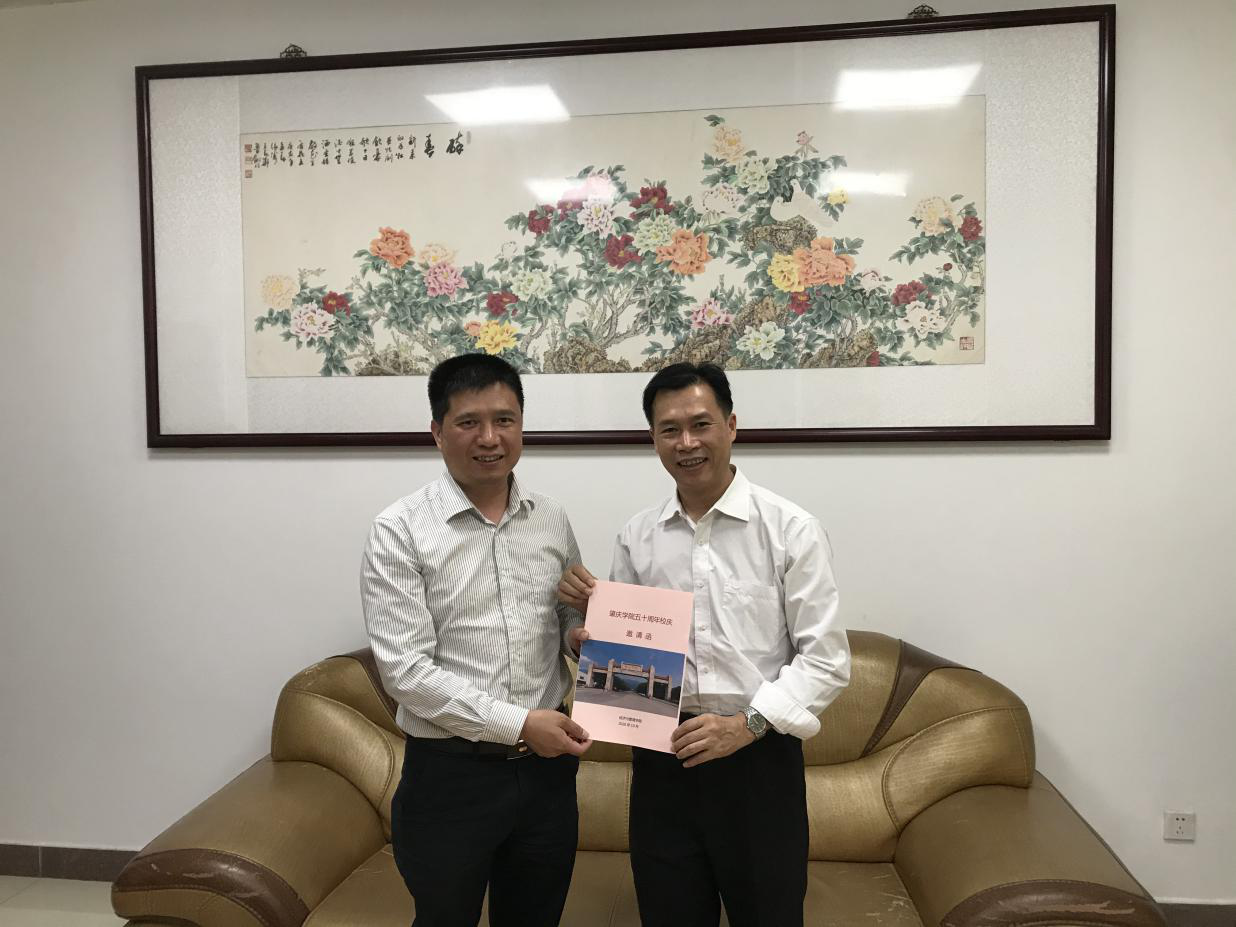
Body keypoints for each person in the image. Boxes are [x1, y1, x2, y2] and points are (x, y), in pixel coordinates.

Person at [559, 362, 850, 927]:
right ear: (653, 439)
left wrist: (747, 725)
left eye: (700, 424)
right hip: (662, 761)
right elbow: (630, 655)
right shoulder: (637, 536)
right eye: (669, 430)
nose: (686, 443)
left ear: (731, 425)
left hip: (757, 758)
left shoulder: (790, 529)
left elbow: (827, 661)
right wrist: (587, 643)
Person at [362, 353, 591, 927]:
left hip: (546, 777)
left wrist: (581, 635)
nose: (489, 438)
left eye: (504, 420)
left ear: (521, 425)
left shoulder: (551, 518)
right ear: (437, 431)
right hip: (450, 778)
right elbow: (406, 672)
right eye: (469, 422)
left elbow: (563, 616)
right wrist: (520, 724)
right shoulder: (400, 530)